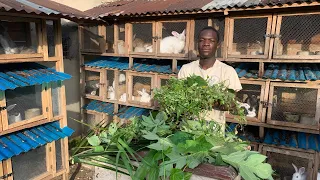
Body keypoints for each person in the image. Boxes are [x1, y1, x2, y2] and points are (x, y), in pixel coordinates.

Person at [178, 26, 242, 131]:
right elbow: (180, 99)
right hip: (188, 129)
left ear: (218, 45)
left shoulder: (227, 71)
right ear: (197, 44)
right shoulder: (186, 69)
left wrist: (207, 101)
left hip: (213, 132)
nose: (206, 43)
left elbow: (230, 103)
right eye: (201, 40)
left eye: (211, 41)